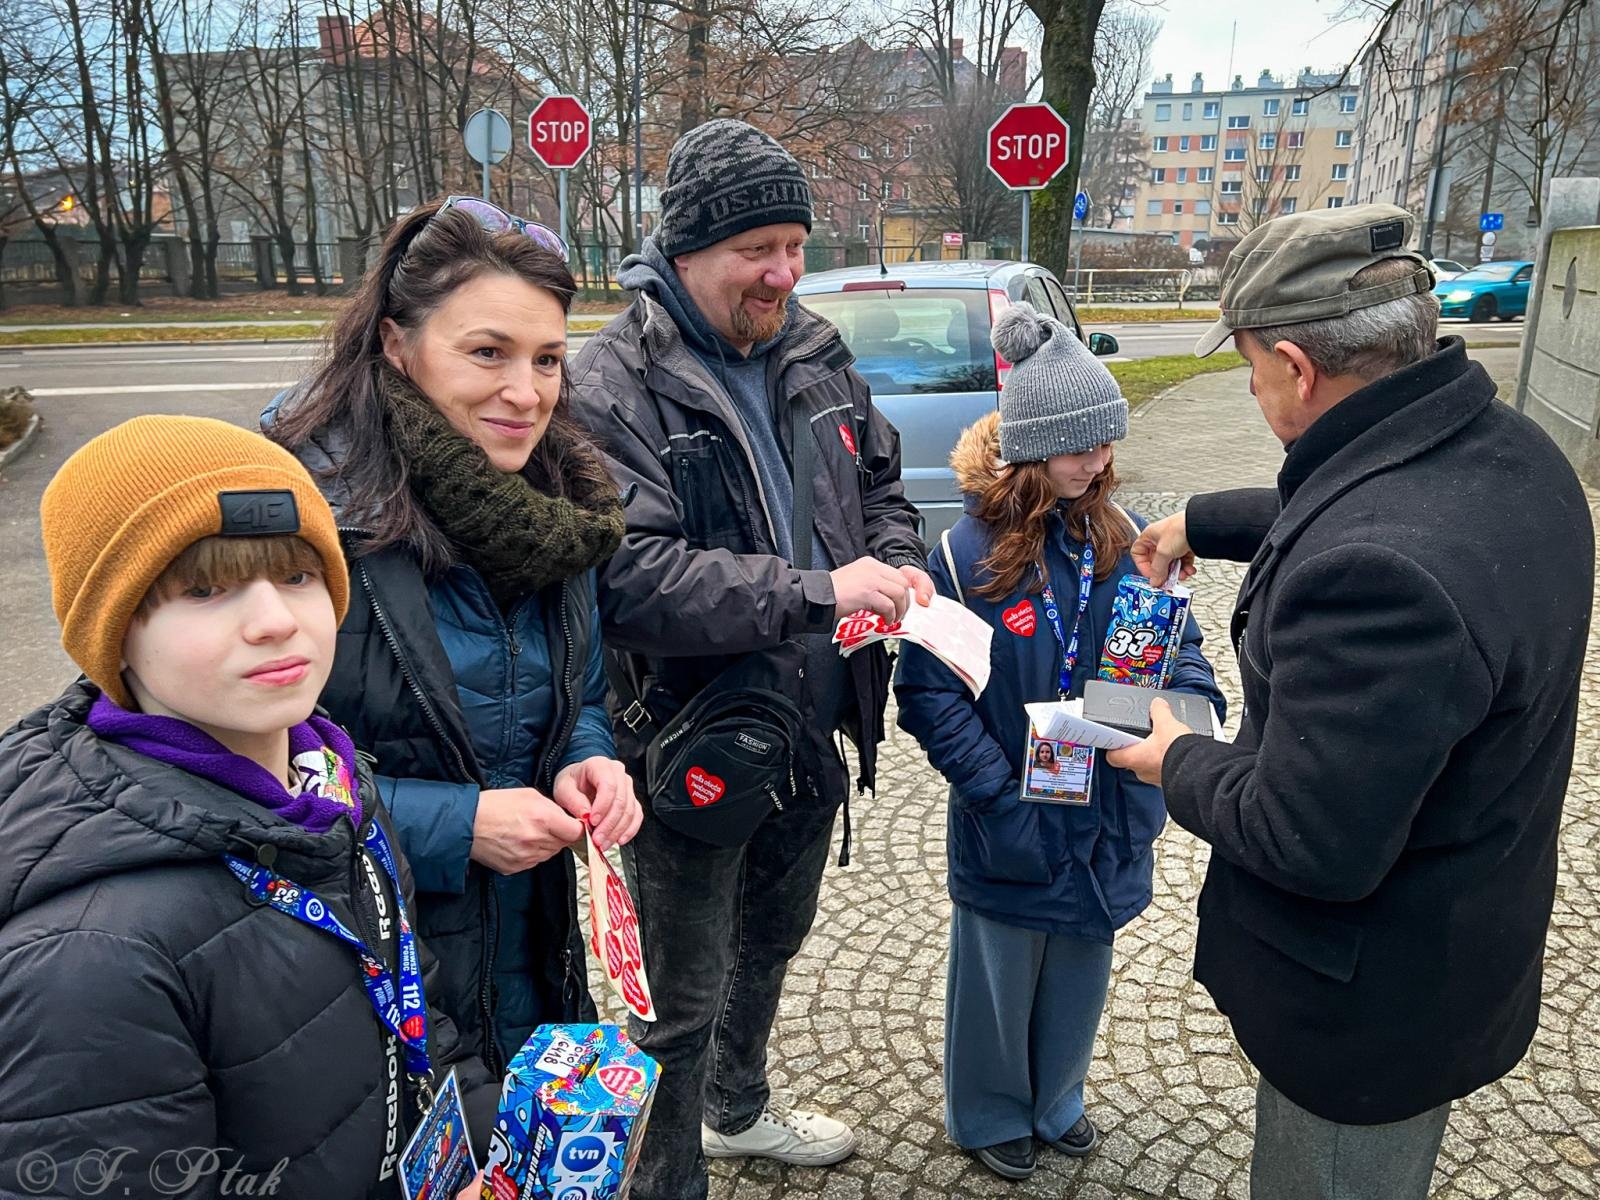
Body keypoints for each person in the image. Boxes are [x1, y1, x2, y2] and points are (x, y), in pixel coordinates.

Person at [1106, 204, 1594, 1200]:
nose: (1248, 386)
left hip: (1365, 1007)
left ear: (1295, 365)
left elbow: (1306, 837)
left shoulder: (1379, 578)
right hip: (1462, 942)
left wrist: (1174, 759)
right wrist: (1203, 519)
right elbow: (1368, 489)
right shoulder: (1513, 454)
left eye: (1246, 366)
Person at [568, 118, 930, 1199]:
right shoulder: (611, 383)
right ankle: (664, 1179)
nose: (783, 272)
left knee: (773, 936)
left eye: (794, 245)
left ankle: (737, 1111)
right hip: (684, 738)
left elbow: (879, 492)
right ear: (683, 253)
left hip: (811, 719)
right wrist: (814, 593)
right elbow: (627, 580)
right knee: (674, 1004)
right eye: (757, 250)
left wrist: (899, 567)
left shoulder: (817, 352)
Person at [0, 416, 494, 1196]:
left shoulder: (333, 788)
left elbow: (413, 1009)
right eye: (204, 589)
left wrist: (475, 1145)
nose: (275, 621)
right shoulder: (89, 956)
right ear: (113, 630)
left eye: (298, 577)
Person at [267, 197, 643, 1074]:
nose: (527, 393)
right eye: (488, 352)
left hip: (526, 952)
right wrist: (456, 825)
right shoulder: (305, 522)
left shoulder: (565, 511)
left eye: (549, 359)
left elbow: (581, 697)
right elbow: (240, 775)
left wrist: (585, 759)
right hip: (364, 971)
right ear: (398, 347)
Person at [895, 304, 1223, 1182]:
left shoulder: (1126, 540)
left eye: (1107, 443)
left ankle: (1056, 1099)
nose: (1099, 462)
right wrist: (997, 796)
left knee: (1082, 962)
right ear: (1033, 446)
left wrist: (1189, 709)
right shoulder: (963, 556)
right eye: (1080, 446)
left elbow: (1176, 654)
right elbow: (928, 696)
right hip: (1011, 803)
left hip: (1109, 800)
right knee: (1000, 973)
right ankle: (989, 1109)